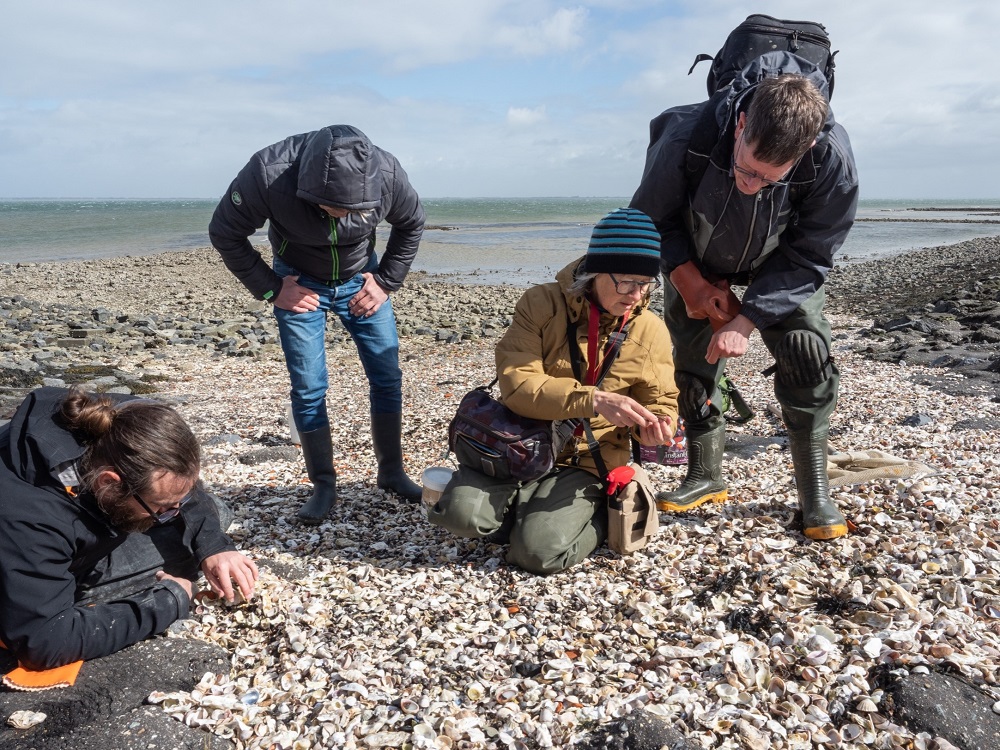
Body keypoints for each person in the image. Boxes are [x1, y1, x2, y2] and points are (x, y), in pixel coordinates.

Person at [630, 53, 860, 540]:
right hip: (696, 252)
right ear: (740, 124)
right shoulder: (684, 135)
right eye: (746, 169)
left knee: (806, 355)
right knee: (692, 361)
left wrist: (748, 317)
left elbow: (811, 254)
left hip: (778, 264)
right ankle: (705, 473)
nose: (753, 186)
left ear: (806, 149)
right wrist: (688, 280)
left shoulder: (832, 161)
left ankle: (814, 490)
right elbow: (651, 218)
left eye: (770, 179)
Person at [429, 208, 679, 575]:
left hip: (589, 460)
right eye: (626, 281)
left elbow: (661, 401)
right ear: (596, 272)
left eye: (645, 283)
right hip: (519, 444)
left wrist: (658, 426)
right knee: (458, 518)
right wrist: (593, 399)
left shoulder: (650, 329)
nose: (635, 295)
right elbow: (518, 385)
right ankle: (527, 508)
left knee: (537, 555)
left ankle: (589, 513)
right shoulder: (541, 304)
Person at [209, 124, 425, 524]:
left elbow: (412, 223)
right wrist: (273, 289)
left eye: (355, 211)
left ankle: (392, 472)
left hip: (362, 279)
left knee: (387, 376)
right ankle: (323, 483)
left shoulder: (387, 173)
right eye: (336, 209)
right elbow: (225, 231)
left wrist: (386, 282)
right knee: (309, 388)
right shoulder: (268, 172)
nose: (345, 217)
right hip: (298, 282)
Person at [0, 387, 258, 672]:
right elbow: (44, 643)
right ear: (109, 483)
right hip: (30, 564)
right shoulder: (29, 515)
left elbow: (184, 489)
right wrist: (168, 601)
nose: (171, 512)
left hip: (87, 527)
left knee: (214, 513)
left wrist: (214, 546)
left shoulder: (124, 417)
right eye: (161, 507)